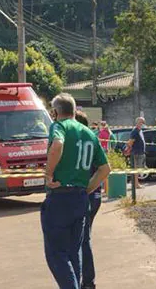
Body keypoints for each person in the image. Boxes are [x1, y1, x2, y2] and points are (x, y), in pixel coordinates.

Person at [42, 93, 110, 289]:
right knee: (74, 251)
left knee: (56, 253)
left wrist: (48, 175)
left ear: (55, 112)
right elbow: (105, 169)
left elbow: (57, 144)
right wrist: (86, 188)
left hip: (60, 196)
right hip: (80, 197)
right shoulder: (89, 132)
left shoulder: (59, 126)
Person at [75, 110, 102, 289]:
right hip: (94, 196)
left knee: (79, 241)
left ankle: (85, 281)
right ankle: (87, 281)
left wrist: (86, 191)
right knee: (85, 239)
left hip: (84, 196)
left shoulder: (77, 143)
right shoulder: (93, 140)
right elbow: (104, 168)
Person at [127, 117, 146, 189]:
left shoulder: (140, 131)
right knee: (136, 169)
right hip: (136, 153)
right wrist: (129, 150)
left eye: (143, 122)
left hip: (140, 152)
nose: (142, 124)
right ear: (137, 123)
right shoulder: (135, 131)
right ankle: (136, 185)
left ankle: (136, 183)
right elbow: (131, 142)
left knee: (137, 169)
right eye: (141, 122)